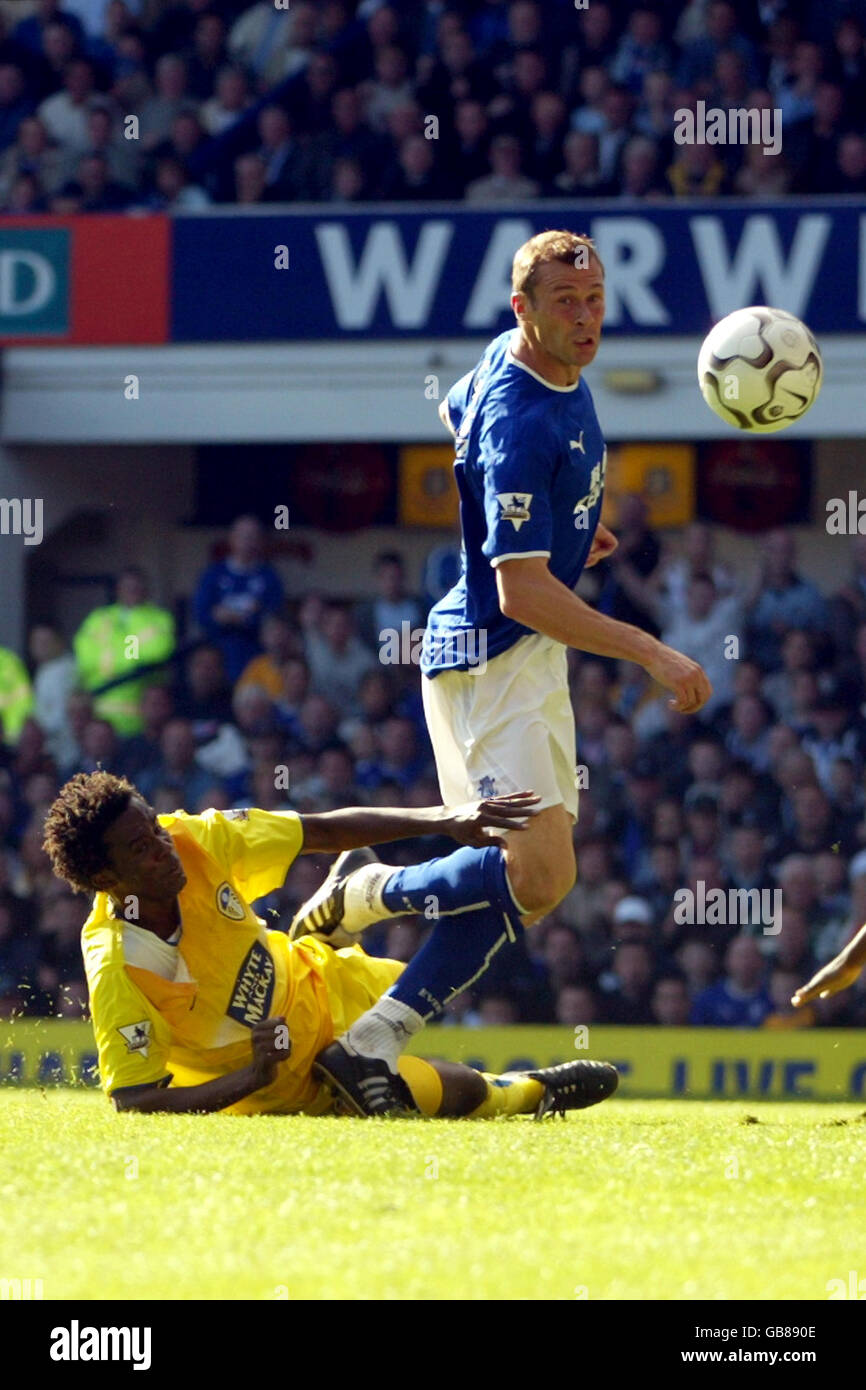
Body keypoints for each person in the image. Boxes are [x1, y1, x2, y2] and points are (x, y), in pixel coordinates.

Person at [290, 229, 711, 1114]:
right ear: (523, 309)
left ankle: (369, 1044)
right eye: (567, 303)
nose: (588, 319)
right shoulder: (522, 422)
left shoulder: (517, 365)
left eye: (595, 302)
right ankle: (369, 890)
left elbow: (454, 413)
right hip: (488, 659)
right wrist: (648, 647)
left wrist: (562, 527)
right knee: (536, 874)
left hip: (529, 665)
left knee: (535, 882)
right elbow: (520, 594)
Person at [41, 771, 617, 1120]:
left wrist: (443, 818)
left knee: (473, 928)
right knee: (457, 1094)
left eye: (156, 829)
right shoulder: (120, 966)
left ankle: (350, 900)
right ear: (106, 881)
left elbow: (319, 830)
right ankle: (532, 1091)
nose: (163, 848)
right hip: (296, 1081)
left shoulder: (195, 837)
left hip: (317, 980)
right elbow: (135, 1100)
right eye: (141, 849)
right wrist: (254, 1077)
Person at [73, 566, 175, 736]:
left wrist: (110, 660)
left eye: (136, 587)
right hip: (99, 717)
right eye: (127, 587)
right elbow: (85, 658)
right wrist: (128, 659)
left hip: (140, 720)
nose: (132, 592)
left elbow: (157, 652)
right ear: (118, 589)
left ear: (145, 590)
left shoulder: (158, 618)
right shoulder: (99, 618)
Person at [193, 515, 284, 682]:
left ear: (261, 541)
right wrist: (218, 617)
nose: (248, 541)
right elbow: (200, 614)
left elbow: (276, 618)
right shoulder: (213, 574)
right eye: (243, 536)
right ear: (232, 538)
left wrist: (251, 618)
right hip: (219, 658)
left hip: (256, 657)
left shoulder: (269, 577)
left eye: (253, 537)